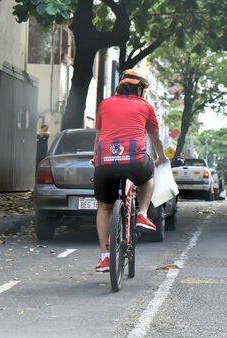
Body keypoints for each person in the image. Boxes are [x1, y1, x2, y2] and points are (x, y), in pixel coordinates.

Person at [92, 69, 168, 272]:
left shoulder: (105, 104)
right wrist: (161, 157)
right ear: (141, 90)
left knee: (104, 208)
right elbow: (156, 140)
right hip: (134, 161)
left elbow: (98, 137)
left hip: (105, 161)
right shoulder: (146, 107)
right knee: (148, 173)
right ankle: (142, 214)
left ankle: (104, 257)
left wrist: (95, 158)